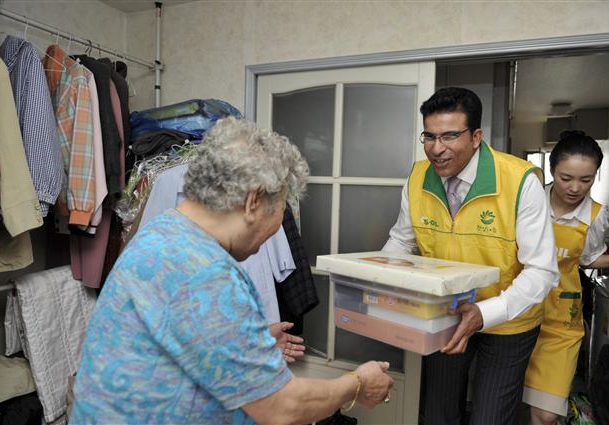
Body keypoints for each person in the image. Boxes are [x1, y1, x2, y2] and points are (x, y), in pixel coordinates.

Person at [70, 117, 394, 424]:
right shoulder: (207, 271)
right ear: (253, 202)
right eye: (281, 208)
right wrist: (357, 384)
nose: (278, 225)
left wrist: (246, 341)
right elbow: (280, 406)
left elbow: (176, 332)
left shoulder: (162, 232)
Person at [382, 87, 560, 425]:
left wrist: (486, 312)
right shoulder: (417, 177)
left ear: (476, 136)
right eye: (429, 136)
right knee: (438, 414)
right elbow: (401, 240)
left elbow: (542, 271)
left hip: (509, 318)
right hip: (446, 314)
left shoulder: (521, 181)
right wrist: (382, 287)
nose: (437, 148)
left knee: (489, 418)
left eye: (450, 136)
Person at [523, 130, 609, 425]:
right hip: (515, 316)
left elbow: (587, 259)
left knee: (545, 414)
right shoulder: (528, 203)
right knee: (502, 399)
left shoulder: (595, 215)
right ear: (551, 170)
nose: (574, 188)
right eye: (565, 177)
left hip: (559, 323)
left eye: (586, 179)